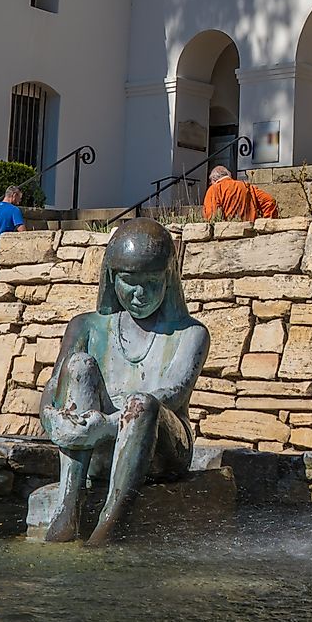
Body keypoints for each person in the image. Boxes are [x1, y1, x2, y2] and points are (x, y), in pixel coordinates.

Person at [38, 218, 209, 546]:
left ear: (169, 278)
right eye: (130, 281)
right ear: (112, 278)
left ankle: (111, 520)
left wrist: (105, 425)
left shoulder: (191, 333)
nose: (140, 293)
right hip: (95, 442)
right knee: (79, 365)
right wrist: (54, 419)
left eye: (152, 281)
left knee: (143, 402)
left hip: (161, 449)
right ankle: (68, 505)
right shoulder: (85, 326)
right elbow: (54, 387)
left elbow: (172, 394)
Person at [200, 163, 277, 222]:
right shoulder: (247, 187)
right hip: (249, 232)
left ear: (214, 180)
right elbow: (269, 201)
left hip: (225, 233)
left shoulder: (214, 189)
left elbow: (211, 216)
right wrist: (266, 221)